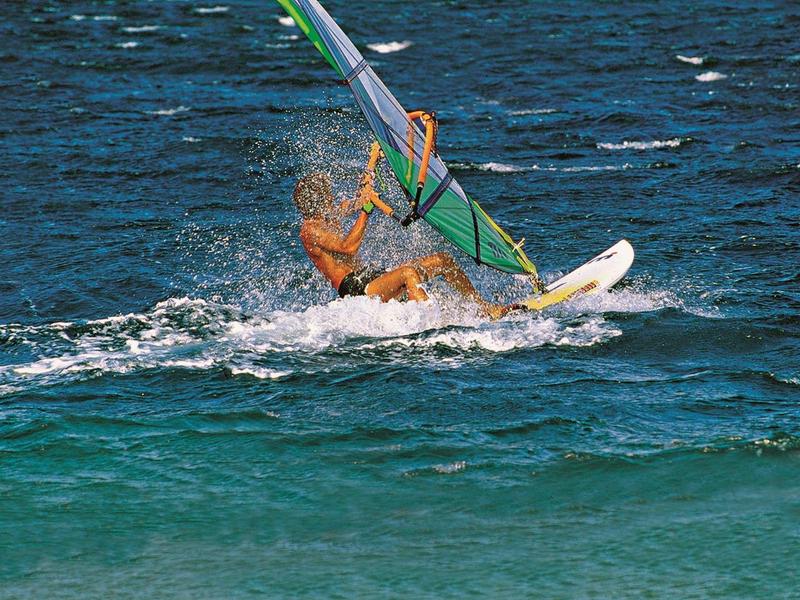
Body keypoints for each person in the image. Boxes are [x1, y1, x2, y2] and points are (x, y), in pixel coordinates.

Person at [294, 167, 515, 319]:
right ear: (318, 199)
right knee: (409, 273)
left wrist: (371, 169)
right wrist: (366, 210)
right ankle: (432, 325)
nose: (332, 197)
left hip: (371, 277)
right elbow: (348, 246)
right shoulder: (310, 229)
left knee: (443, 260)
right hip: (358, 290)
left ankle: (485, 309)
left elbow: (359, 200)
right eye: (327, 194)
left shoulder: (327, 215)